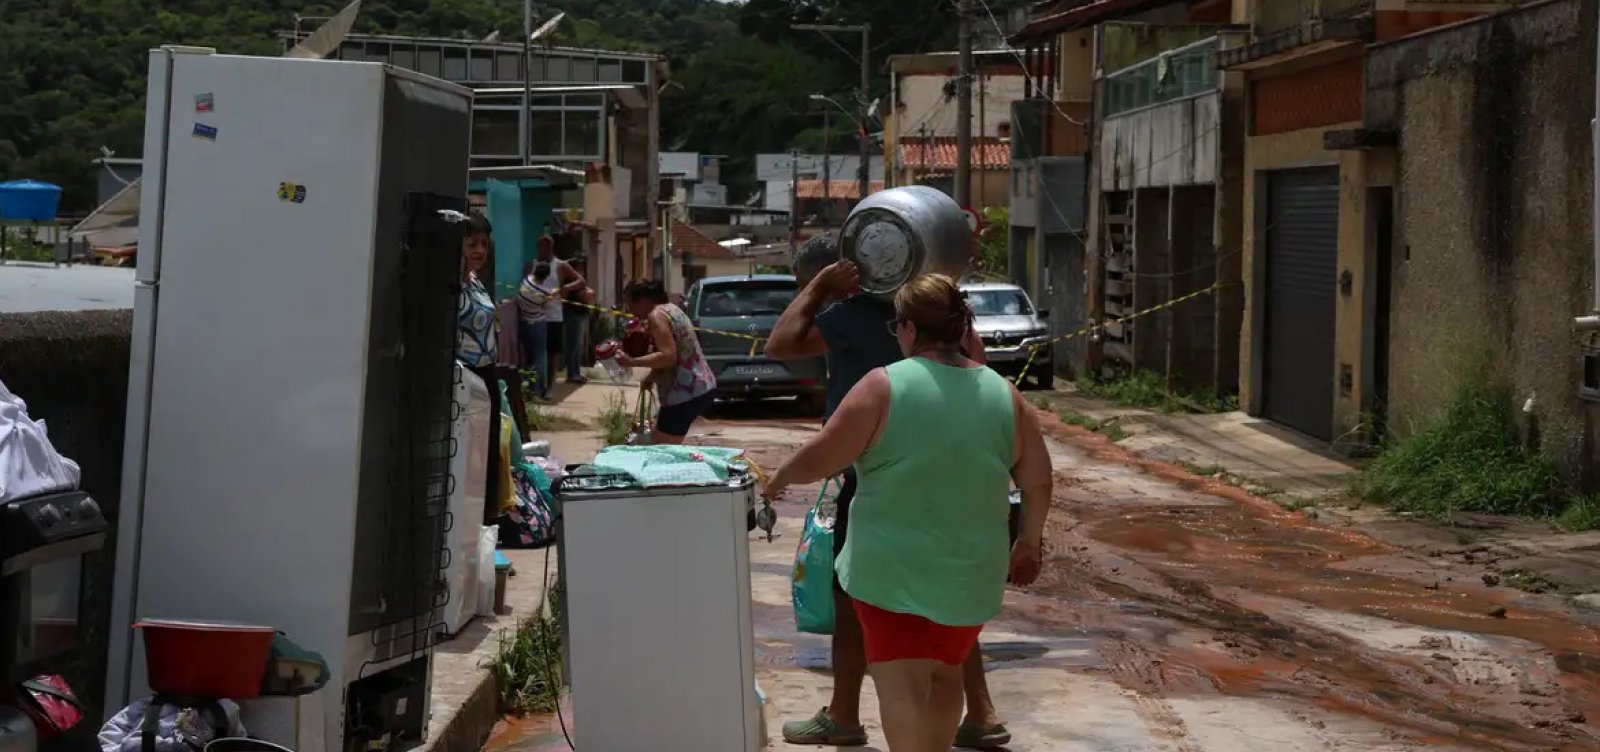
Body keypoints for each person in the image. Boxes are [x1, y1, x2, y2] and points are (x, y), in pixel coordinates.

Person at [763, 273, 1051, 752]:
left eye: (898, 325)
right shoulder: (1005, 394)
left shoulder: (883, 386)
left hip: (891, 574)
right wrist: (1028, 541)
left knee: (900, 682)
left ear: (910, 329)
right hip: (972, 577)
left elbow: (823, 454)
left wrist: (779, 480)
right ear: (961, 327)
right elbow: (1038, 480)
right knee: (944, 675)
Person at [615, 279, 717, 444]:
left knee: (660, 449)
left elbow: (668, 356)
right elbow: (678, 352)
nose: (631, 311)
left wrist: (631, 361)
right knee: (659, 439)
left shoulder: (656, 316)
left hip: (684, 393)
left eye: (631, 305)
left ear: (643, 300)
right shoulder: (673, 309)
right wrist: (652, 376)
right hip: (700, 386)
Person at [456, 212, 505, 523]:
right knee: (468, 459)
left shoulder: (476, 283)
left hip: (488, 376)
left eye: (484, 244)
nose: (479, 251)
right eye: (472, 243)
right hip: (466, 380)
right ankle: (467, 525)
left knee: (486, 457)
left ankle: (484, 527)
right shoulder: (452, 288)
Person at [527, 235, 588, 393]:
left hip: (554, 316)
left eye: (547, 247)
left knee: (552, 353)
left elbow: (581, 281)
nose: (544, 250)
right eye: (541, 247)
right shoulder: (531, 266)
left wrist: (567, 288)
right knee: (535, 351)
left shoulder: (560, 266)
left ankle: (549, 386)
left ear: (551, 248)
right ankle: (535, 385)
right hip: (535, 315)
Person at [517, 256, 561, 401]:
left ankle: (526, 388)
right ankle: (535, 391)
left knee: (527, 357)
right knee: (538, 358)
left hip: (523, 322)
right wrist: (557, 290)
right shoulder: (542, 292)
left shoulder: (526, 281)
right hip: (537, 324)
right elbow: (549, 299)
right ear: (546, 276)